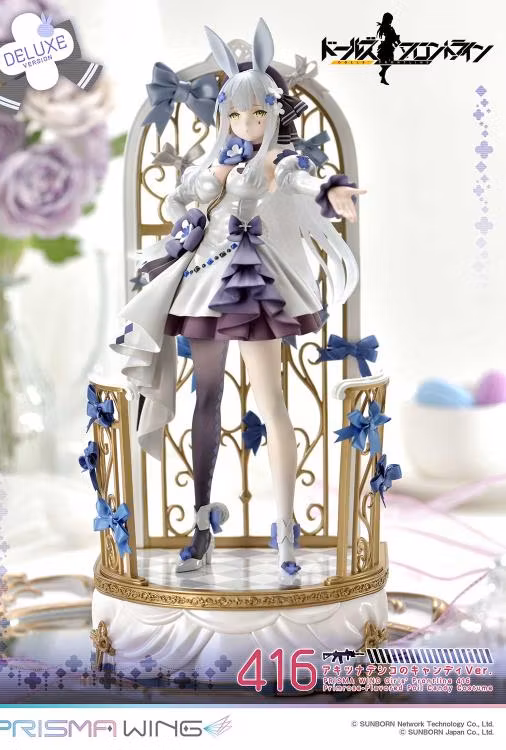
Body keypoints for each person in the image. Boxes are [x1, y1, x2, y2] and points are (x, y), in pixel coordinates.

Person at [111, 18, 366, 579]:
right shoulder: (214, 160)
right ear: (224, 115)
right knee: (206, 399)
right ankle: (201, 525)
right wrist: (204, 190)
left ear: (274, 114)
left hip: (255, 290)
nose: (247, 124)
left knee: (273, 404)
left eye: (257, 114)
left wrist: (334, 189)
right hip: (205, 286)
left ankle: (286, 530)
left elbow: (304, 185)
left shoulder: (282, 161)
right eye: (235, 114)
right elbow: (180, 200)